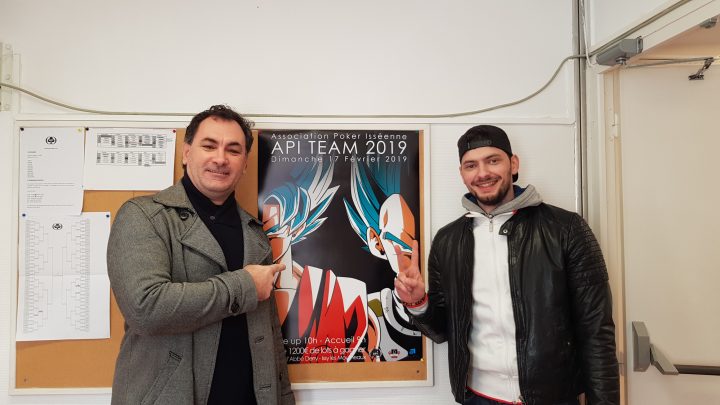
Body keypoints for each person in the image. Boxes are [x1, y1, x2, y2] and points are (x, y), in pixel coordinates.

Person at [394, 125, 619, 405]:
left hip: (553, 397)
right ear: (462, 174)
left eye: (493, 160)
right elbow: (441, 332)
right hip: (478, 397)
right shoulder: (447, 240)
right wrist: (417, 302)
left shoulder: (567, 229)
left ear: (513, 164)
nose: (482, 173)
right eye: (471, 165)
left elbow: (597, 331)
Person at [107, 105, 295, 405]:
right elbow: (146, 308)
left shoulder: (255, 232)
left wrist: (283, 398)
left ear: (245, 164)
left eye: (233, 150)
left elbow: (269, 333)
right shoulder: (143, 217)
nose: (220, 158)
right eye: (209, 146)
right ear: (186, 153)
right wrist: (244, 286)